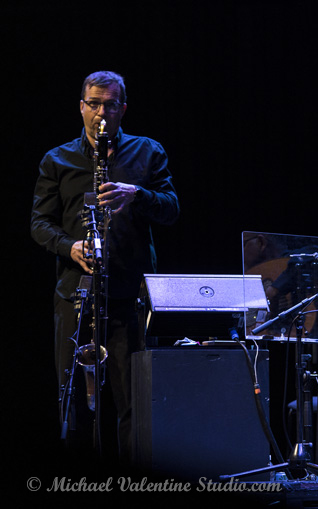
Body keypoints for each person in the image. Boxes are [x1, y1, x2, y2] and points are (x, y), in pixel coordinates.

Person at [31, 71, 180, 463]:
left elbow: (172, 208)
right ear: (81, 106)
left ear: (122, 108)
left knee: (133, 403)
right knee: (74, 403)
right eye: (94, 104)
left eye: (110, 104)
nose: (101, 113)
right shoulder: (57, 159)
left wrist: (139, 194)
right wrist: (71, 245)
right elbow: (39, 224)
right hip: (76, 296)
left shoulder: (148, 152)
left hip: (130, 296)